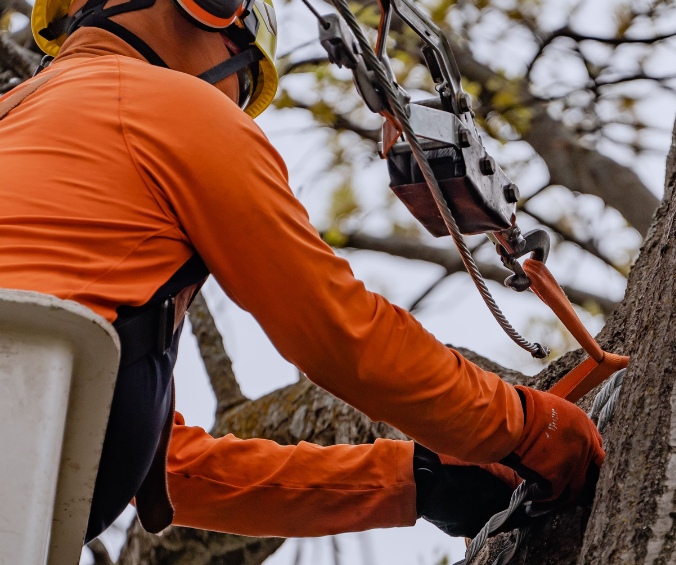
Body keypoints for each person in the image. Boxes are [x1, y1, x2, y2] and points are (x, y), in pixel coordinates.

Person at [0, 0, 605, 544]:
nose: (236, 103)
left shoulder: (29, 132)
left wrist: (416, 482)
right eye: (242, 73)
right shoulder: (171, 106)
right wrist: (524, 427)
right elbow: (338, 330)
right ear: (208, 8)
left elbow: (170, 473)